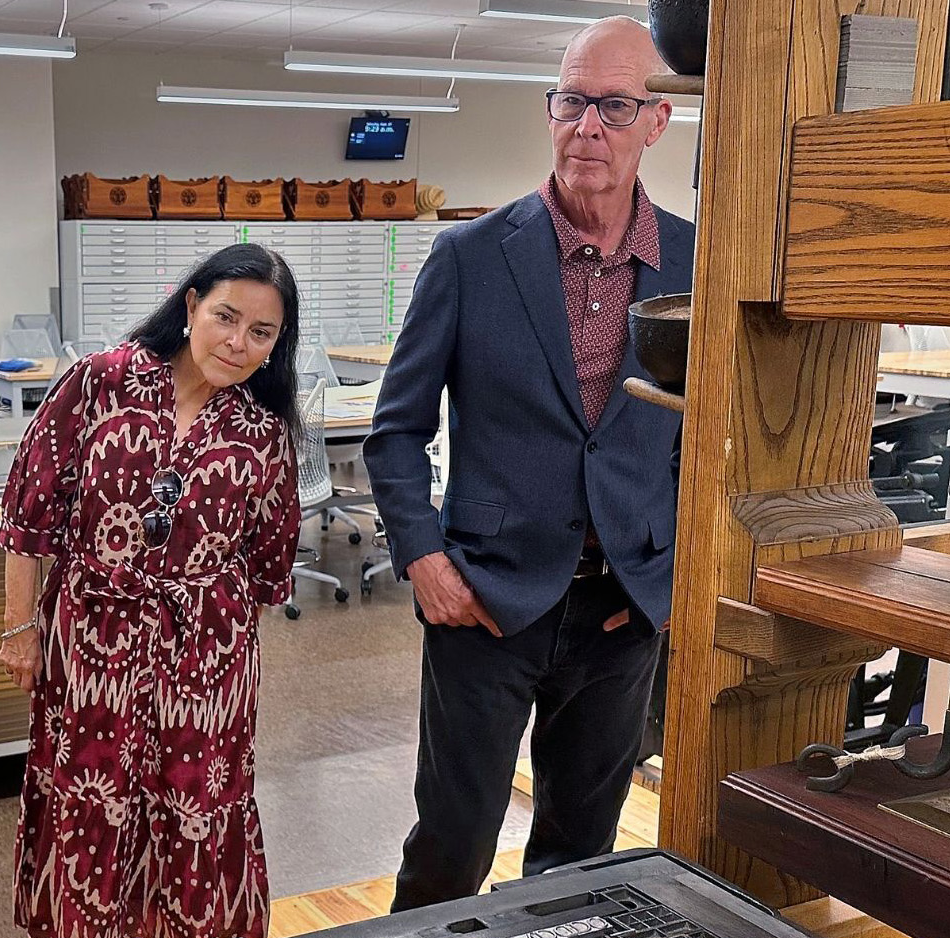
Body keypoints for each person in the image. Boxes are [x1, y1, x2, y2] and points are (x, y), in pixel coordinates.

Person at [362, 16, 697, 910]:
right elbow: (395, 430)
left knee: (580, 855)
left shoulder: (697, 260)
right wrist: (422, 559)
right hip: (485, 603)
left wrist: (665, 578)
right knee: (450, 844)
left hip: (620, 610)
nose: (586, 126)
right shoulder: (472, 256)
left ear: (656, 120)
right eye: (570, 102)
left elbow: (707, 438)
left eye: (613, 106)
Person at [0, 243, 303, 938]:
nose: (237, 342)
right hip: (91, 645)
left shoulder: (261, 431)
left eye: (261, 332)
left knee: (195, 810)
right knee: (90, 797)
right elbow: (28, 514)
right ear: (191, 304)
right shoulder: (100, 383)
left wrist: (218, 665)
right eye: (226, 317)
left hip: (206, 666)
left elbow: (263, 566)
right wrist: (20, 630)